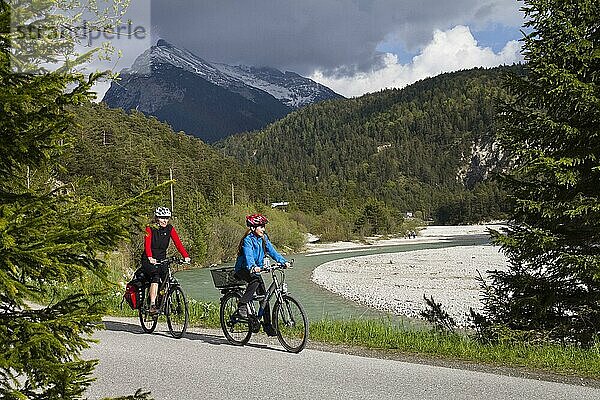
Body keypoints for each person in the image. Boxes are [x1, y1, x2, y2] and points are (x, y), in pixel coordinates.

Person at [234, 213, 289, 336]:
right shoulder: (247, 240)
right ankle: (242, 304)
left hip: (255, 270)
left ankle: (268, 325)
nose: (263, 229)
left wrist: (283, 262)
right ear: (253, 228)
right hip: (243, 269)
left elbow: (272, 251)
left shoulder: (264, 238)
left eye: (264, 226)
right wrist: (253, 267)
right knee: (255, 281)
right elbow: (248, 256)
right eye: (261, 226)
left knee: (265, 297)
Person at [141, 207, 191, 315]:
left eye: (167, 218)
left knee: (166, 279)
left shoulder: (169, 229)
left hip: (162, 258)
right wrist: (150, 257)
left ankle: (163, 302)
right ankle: (152, 305)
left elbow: (178, 243)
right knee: (156, 276)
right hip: (149, 259)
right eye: (162, 218)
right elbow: (147, 244)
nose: (164, 220)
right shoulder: (150, 228)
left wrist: (185, 256)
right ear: (156, 218)